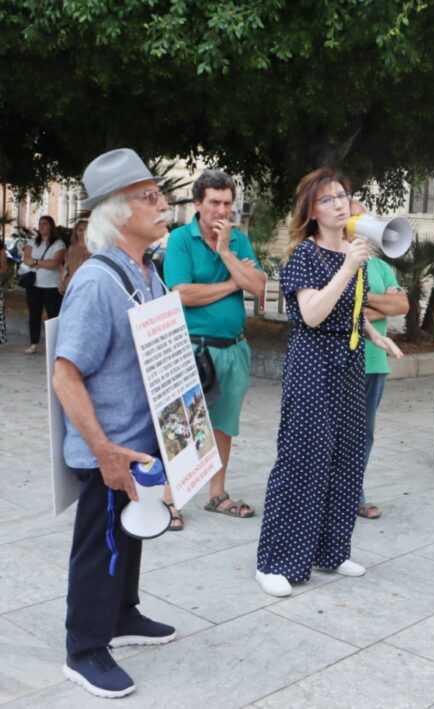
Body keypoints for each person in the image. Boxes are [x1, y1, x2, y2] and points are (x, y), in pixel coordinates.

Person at [52, 148, 177, 698]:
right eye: (150, 196)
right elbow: (65, 375)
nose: (163, 203)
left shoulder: (147, 270)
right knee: (101, 542)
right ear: (118, 211)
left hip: (141, 444)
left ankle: (122, 615)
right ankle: (84, 648)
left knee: (131, 534)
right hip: (110, 451)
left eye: (159, 193)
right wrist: (102, 450)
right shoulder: (99, 282)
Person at [254, 169, 402, 598]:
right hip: (313, 363)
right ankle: (275, 562)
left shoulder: (352, 254)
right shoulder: (303, 255)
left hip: (351, 361)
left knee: (347, 457)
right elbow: (314, 314)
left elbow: (352, 311)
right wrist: (350, 266)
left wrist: (376, 335)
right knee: (302, 459)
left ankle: (331, 551)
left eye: (344, 196)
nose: (340, 204)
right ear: (311, 212)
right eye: (328, 199)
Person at [163, 170, 267, 527]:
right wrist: (231, 282)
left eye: (227, 203)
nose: (222, 210)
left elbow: (257, 287)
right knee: (182, 425)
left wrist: (225, 253)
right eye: (214, 203)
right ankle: (169, 499)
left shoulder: (238, 242)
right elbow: (181, 293)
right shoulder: (180, 239)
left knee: (223, 424)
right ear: (198, 204)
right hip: (192, 347)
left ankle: (216, 494)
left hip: (234, 347)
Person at [358, 207, 409, 517]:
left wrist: (362, 305)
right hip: (344, 361)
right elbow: (339, 309)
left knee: (365, 433)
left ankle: (354, 491)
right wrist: (382, 304)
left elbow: (401, 304)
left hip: (375, 362)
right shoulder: (338, 264)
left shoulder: (381, 267)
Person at [22, 215, 66, 354]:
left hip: (51, 287)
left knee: (53, 316)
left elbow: (55, 263)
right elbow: (26, 259)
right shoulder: (32, 242)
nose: (41, 226)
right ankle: (33, 343)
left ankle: (56, 344)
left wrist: (35, 262)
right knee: (34, 314)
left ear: (51, 226)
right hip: (34, 285)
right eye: (40, 224)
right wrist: (43, 262)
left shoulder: (58, 244)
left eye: (45, 224)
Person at [60, 218, 91, 294]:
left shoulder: (93, 249)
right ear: (76, 232)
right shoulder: (71, 248)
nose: (83, 233)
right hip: (71, 284)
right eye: (80, 230)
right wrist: (61, 281)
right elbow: (66, 266)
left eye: (86, 230)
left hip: (86, 286)